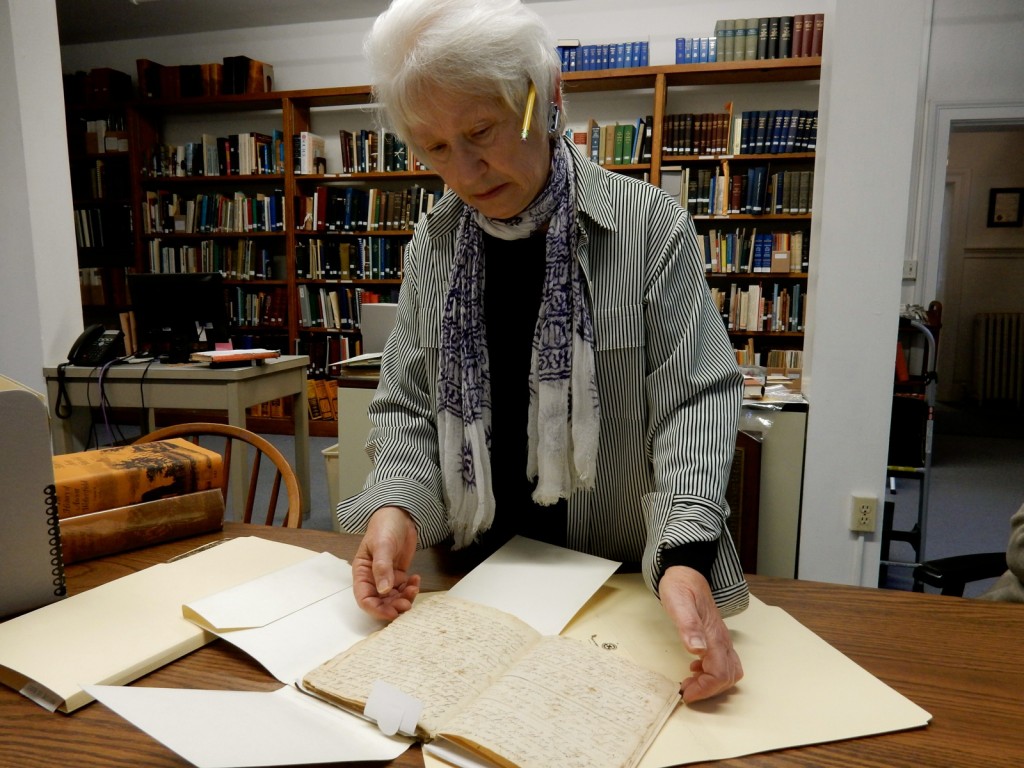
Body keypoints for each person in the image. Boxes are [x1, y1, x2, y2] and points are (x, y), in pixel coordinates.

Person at [338, 0, 749, 704]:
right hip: (469, 584)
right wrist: (396, 510)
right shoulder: (433, 247)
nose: (465, 171)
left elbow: (695, 402)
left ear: (549, 100)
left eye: (481, 131)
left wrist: (684, 558)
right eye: (435, 147)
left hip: (620, 588)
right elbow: (405, 404)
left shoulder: (649, 227)